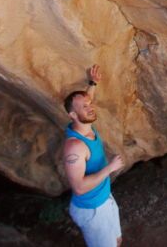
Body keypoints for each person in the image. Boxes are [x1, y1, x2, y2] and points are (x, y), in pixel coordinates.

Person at [62, 64, 124, 247]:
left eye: (89, 105)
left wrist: (92, 83)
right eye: (84, 107)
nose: (90, 108)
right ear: (73, 115)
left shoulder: (86, 125)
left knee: (117, 240)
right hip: (92, 209)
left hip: (104, 198)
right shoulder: (75, 147)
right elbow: (79, 187)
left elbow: (86, 102)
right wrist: (109, 169)